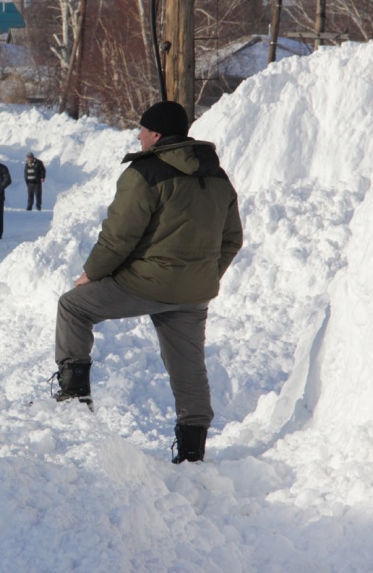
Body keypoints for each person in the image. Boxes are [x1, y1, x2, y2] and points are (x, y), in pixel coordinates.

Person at [50, 101, 243, 464]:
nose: (138, 135)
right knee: (188, 365)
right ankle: (192, 450)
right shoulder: (217, 176)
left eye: (142, 129)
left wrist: (91, 274)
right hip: (195, 291)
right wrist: (203, 275)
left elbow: (118, 237)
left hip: (146, 284)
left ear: (156, 134)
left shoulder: (144, 173)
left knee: (73, 307)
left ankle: (73, 402)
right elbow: (232, 239)